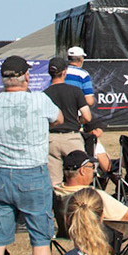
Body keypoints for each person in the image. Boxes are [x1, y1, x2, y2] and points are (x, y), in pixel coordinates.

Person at [0, 55, 61, 255]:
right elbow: (58, 118)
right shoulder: (39, 99)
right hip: (33, 173)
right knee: (40, 240)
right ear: (26, 76)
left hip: (1, 174)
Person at [43, 56, 95, 185]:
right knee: (79, 179)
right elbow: (87, 116)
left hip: (51, 139)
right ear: (64, 72)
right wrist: (78, 121)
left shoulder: (44, 94)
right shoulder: (75, 91)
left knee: (54, 183)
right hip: (72, 138)